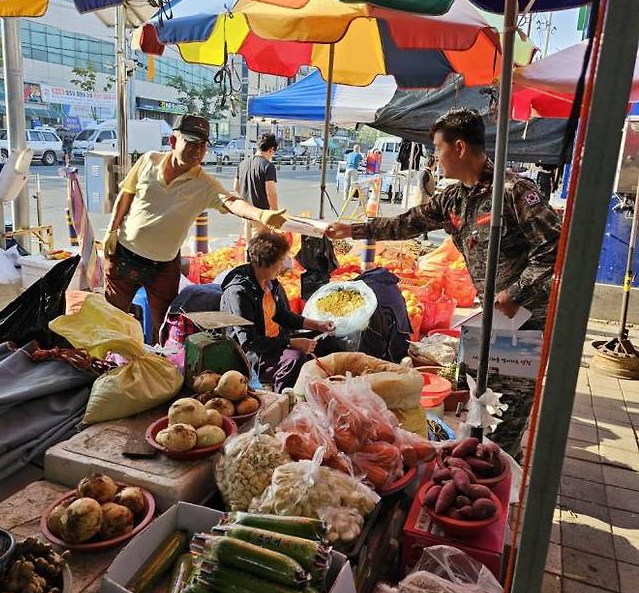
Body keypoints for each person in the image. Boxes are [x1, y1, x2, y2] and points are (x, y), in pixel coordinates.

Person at [327, 108, 561, 459]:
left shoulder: (512, 191)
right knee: (482, 394)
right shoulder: (455, 198)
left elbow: (555, 248)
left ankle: (497, 483)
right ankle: (480, 465)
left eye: (438, 148)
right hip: (494, 315)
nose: (434, 157)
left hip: (525, 319)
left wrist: (516, 292)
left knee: (509, 408)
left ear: (460, 147)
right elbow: (408, 223)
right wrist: (353, 230)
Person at [102, 114, 285, 340]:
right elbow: (126, 195)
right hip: (124, 255)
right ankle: (107, 366)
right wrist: (111, 230)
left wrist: (262, 214)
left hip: (163, 266)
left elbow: (231, 201)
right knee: (111, 319)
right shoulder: (148, 161)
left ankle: (158, 365)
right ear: (173, 141)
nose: (197, 151)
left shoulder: (204, 184)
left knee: (165, 327)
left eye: (202, 146)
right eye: (191, 143)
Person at [220, 231, 335, 392]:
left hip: (274, 341)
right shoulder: (239, 293)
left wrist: (317, 325)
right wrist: (292, 343)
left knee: (327, 343)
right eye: (280, 262)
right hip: (252, 354)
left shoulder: (271, 283)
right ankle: (284, 399)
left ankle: (311, 392)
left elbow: (282, 315)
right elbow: (249, 342)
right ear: (265, 263)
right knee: (295, 358)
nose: (282, 267)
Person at [234, 132, 279, 212]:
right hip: (260, 214)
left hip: (245, 213)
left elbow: (236, 189)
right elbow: (271, 194)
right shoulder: (268, 166)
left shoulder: (242, 164)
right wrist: (275, 213)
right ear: (271, 149)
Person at [418, 155, 437, 241]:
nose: (435, 166)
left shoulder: (429, 173)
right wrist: (430, 195)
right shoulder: (425, 173)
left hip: (427, 199)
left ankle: (424, 236)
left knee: (425, 218)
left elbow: (430, 185)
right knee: (423, 218)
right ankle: (423, 236)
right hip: (423, 199)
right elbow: (422, 187)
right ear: (431, 163)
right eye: (435, 164)